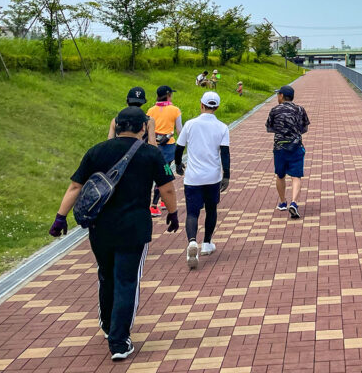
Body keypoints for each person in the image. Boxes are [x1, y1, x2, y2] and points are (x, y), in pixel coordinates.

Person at [49, 107, 179, 362]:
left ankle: (108, 325)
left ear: (117, 126)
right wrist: (173, 214)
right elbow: (168, 189)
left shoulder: (96, 151)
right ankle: (119, 342)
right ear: (143, 128)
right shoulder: (151, 153)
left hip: (100, 228)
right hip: (134, 228)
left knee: (106, 275)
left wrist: (60, 217)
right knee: (127, 281)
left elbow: (76, 185)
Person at [174, 91, 230, 270]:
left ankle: (192, 242)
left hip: (193, 177)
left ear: (201, 105)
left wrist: (177, 165)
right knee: (211, 209)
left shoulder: (190, 125)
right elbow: (225, 153)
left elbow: (179, 148)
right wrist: (226, 174)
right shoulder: (222, 127)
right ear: (217, 107)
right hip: (212, 176)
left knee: (192, 213)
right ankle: (207, 243)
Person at [265, 85, 310, 219]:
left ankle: (283, 202)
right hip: (296, 146)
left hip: (279, 148)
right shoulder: (300, 109)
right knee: (296, 176)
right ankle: (294, 203)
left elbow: (269, 128)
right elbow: (305, 127)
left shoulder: (274, 110)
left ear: (282, 96)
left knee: (280, 175)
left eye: (278, 94)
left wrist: (281, 131)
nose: (277, 96)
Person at [146, 85, 184, 217]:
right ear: (168, 95)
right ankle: (153, 205)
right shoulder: (175, 110)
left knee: (163, 173)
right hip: (169, 148)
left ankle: (163, 201)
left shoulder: (150, 110)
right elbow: (180, 130)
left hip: (153, 146)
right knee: (164, 173)